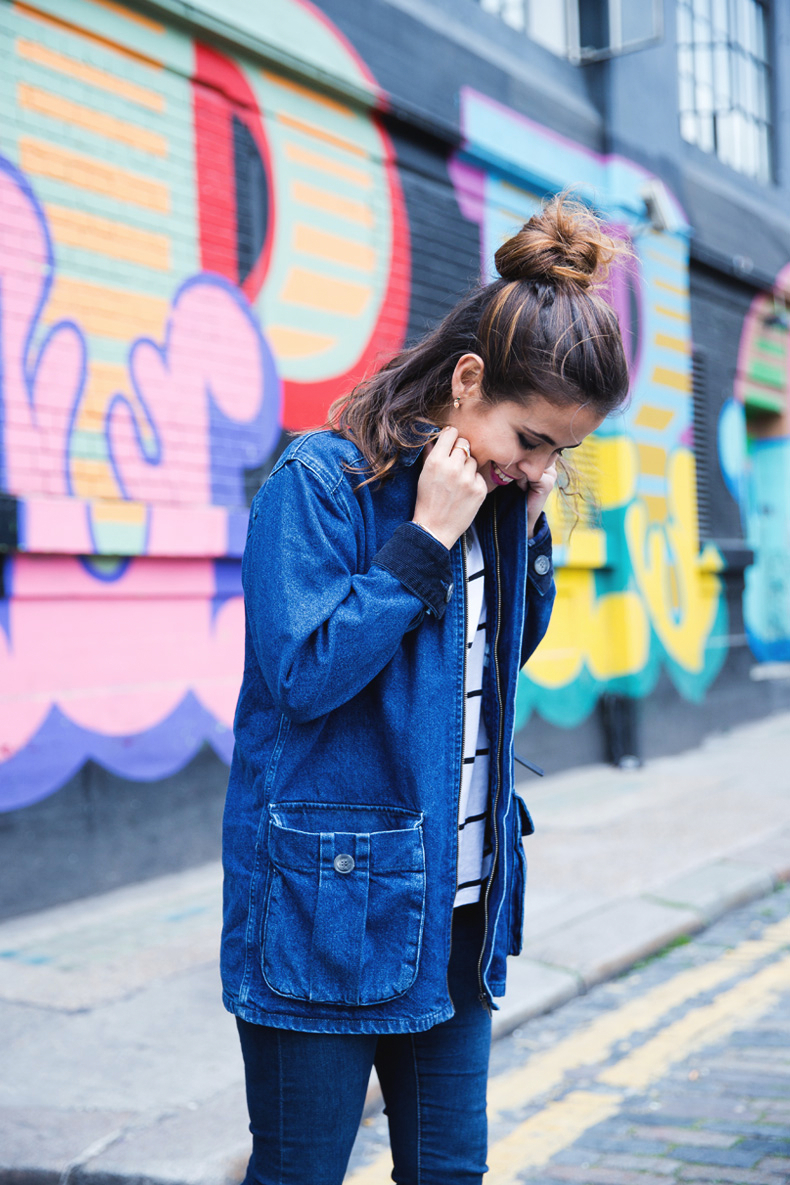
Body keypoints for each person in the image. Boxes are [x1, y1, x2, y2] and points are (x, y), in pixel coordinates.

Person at [221, 194, 630, 1185]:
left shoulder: (494, 501)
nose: (536, 466)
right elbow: (303, 677)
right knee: (300, 1176)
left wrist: (525, 531)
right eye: (531, 438)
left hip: (456, 911)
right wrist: (420, 544)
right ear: (466, 379)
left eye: (558, 453)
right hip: (330, 913)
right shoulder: (320, 485)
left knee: (450, 1174)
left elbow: (495, 663)